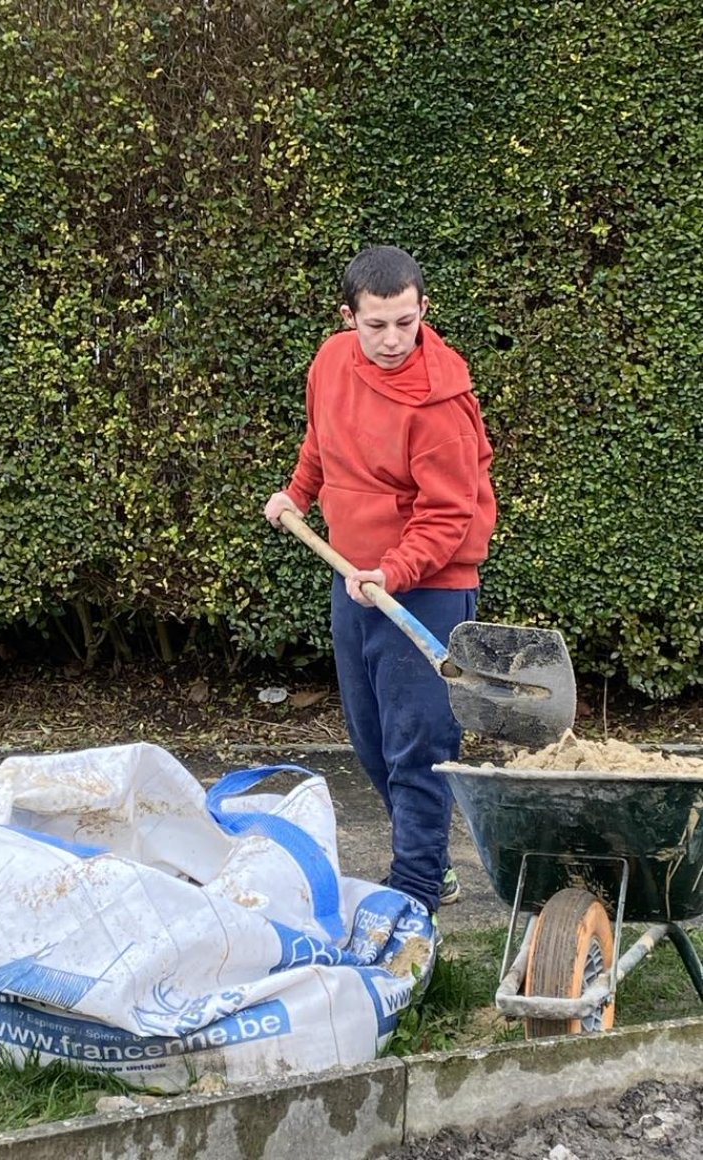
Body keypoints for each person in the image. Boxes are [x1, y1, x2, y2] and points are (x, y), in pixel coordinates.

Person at [264, 245, 497, 916]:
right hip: (357, 579)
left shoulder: (439, 401)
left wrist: (391, 572)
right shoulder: (333, 362)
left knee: (419, 745)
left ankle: (416, 893)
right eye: (378, 325)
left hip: (427, 585)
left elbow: (449, 515)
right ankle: (429, 862)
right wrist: (298, 494)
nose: (393, 340)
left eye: (406, 322)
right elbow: (323, 439)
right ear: (350, 319)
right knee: (371, 740)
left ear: (423, 309)